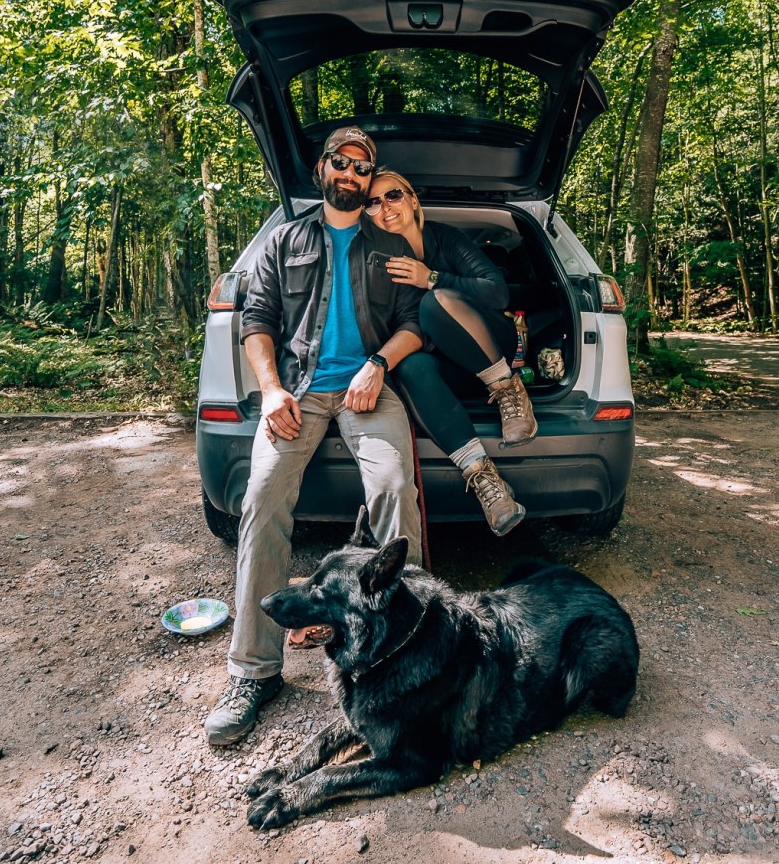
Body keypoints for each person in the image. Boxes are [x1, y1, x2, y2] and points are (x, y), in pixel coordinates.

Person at [204, 126, 425, 748]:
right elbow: (257, 323)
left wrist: (377, 364)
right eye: (342, 163)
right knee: (262, 496)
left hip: (369, 392)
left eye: (364, 167)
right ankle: (255, 671)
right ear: (322, 169)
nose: (352, 174)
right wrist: (271, 389)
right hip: (297, 393)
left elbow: (412, 326)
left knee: (393, 488)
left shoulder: (389, 247)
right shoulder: (283, 241)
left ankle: (409, 653)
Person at [363, 169, 536, 537]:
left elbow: (498, 294)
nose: (385, 207)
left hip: (490, 350)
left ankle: (509, 391)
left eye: (392, 195)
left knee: (434, 302)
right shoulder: (373, 263)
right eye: (372, 202)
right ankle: (485, 481)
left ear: (411, 199)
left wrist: (432, 278)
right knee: (411, 366)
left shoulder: (446, 238)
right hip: (449, 377)